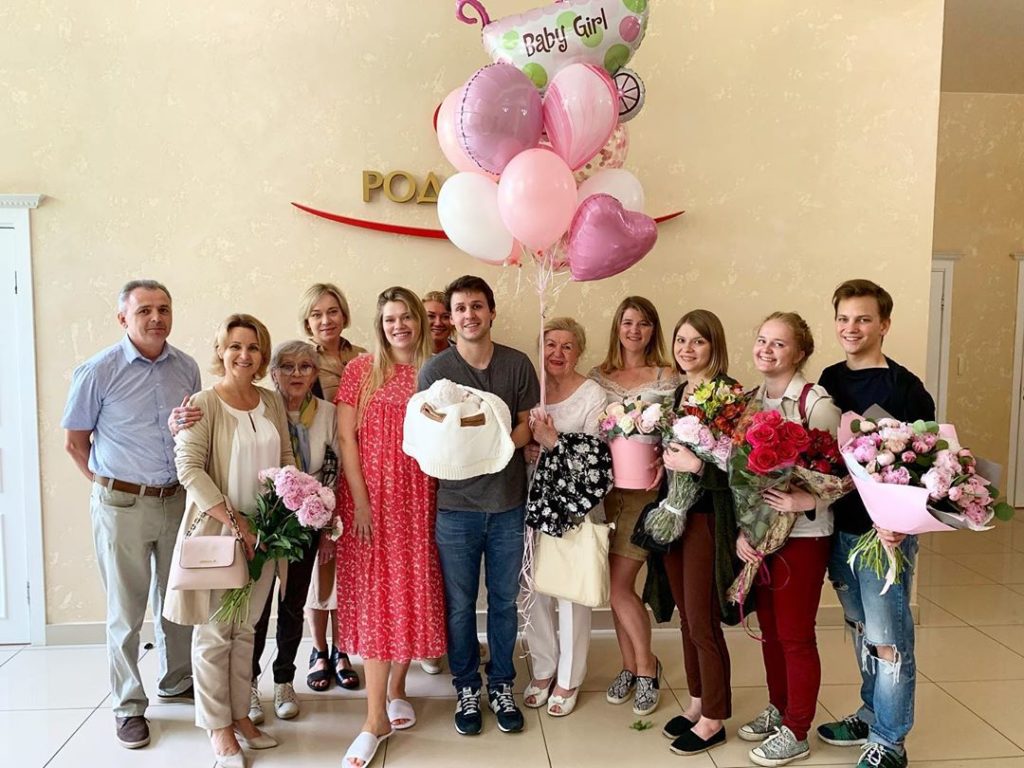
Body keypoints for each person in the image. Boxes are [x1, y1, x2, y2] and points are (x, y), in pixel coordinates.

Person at [62, 279, 198, 750]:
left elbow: (191, 433)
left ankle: (177, 680)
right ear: (124, 318)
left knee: (177, 599)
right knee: (126, 609)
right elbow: (74, 443)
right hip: (120, 504)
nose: (156, 318)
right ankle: (127, 705)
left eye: (164, 308)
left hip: (175, 499)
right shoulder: (98, 370)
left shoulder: (187, 367)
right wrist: (109, 487)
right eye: (144, 310)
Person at [164, 314, 294, 768]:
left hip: (267, 532)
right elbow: (189, 469)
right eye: (235, 346)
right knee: (215, 633)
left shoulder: (271, 401)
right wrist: (237, 521)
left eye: (253, 347)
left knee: (246, 629)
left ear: (262, 354)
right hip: (222, 532)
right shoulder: (203, 403)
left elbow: (286, 457)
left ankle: (241, 715)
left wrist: (288, 509)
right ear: (220, 350)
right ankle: (217, 726)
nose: (244, 354)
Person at [815, 280, 934, 768]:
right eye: (843, 318)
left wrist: (901, 522)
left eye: (863, 319)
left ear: (884, 325)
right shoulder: (829, 378)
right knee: (862, 628)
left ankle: (890, 740)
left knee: (889, 640)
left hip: (885, 536)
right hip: (841, 527)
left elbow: (926, 466)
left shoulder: (906, 388)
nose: (851, 328)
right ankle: (871, 713)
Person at [418, 275, 540, 736]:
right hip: (456, 510)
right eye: (460, 308)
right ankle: (467, 686)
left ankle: (502, 684)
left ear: (491, 312)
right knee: (460, 604)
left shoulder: (517, 364)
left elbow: (528, 423)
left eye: (477, 306)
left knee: (505, 601)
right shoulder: (435, 372)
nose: (469, 315)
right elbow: (432, 440)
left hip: (508, 505)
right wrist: (482, 451)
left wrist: (496, 450)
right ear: (450, 319)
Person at [335, 287, 447, 768]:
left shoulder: (436, 371)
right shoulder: (361, 370)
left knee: (408, 593)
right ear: (380, 326)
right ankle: (373, 718)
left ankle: (398, 688)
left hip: (420, 498)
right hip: (371, 499)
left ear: (420, 320)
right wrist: (360, 502)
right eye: (389, 319)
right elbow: (346, 438)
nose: (398, 325)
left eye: (405, 317)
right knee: (377, 600)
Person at [734, 313, 842, 767]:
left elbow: (846, 474)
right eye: (762, 340)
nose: (766, 350)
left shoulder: (816, 403)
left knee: (796, 635)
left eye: (778, 344)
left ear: (800, 352)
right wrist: (744, 531)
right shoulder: (750, 401)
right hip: (762, 537)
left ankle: (797, 729)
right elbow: (741, 478)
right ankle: (779, 708)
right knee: (771, 633)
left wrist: (808, 500)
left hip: (804, 536)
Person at [588, 296, 678, 717]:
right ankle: (628, 665)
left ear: (653, 329)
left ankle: (646, 668)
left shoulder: (666, 375)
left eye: (643, 323)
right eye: (627, 322)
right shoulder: (598, 376)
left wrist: (664, 458)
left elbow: (680, 431)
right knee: (613, 586)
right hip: (603, 493)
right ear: (617, 328)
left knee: (620, 585)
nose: (634, 330)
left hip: (644, 492)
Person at [660, 309, 740, 756]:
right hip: (676, 514)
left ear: (714, 346)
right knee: (687, 617)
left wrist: (697, 467)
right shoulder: (679, 391)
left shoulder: (727, 395)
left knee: (703, 617)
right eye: (681, 340)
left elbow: (742, 470)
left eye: (698, 341)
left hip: (708, 517)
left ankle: (714, 718)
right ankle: (696, 701)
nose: (687, 349)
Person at [248, 341, 340, 722]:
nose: (297, 374)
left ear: (316, 373)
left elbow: (334, 467)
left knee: (292, 603)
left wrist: (327, 526)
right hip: (265, 517)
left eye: (305, 367)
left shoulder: (328, 413)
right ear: (273, 374)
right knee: (257, 606)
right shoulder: (260, 408)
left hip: (308, 519)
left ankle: (284, 679)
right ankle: (249, 684)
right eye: (287, 366)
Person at [522, 317, 607, 718]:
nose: (557, 353)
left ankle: (570, 677)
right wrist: (529, 450)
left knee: (571, 591)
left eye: (567, 346)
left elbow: (596, 459)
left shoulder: (592, 394)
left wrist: (553, 442)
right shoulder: (529, 388)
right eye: (550, 345)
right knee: (533, 586)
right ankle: (543, 668)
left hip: (575, 507)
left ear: (579, 352)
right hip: (530, 500)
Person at [298, 283, 364, 689]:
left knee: (346, 566)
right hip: (317, 473)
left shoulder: (365, 359)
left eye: (333, 311)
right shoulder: (301, 361)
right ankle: (318, 649)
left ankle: (344, 648)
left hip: (358, 469)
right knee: (317, 567)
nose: (326, 320)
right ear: (307, 321)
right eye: (317, 314)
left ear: (344, 315)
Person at [423, 289, 454, 354]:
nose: (438, 323)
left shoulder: (464, 355)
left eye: (445, 317)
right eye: (431, 316)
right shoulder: (406, 356)